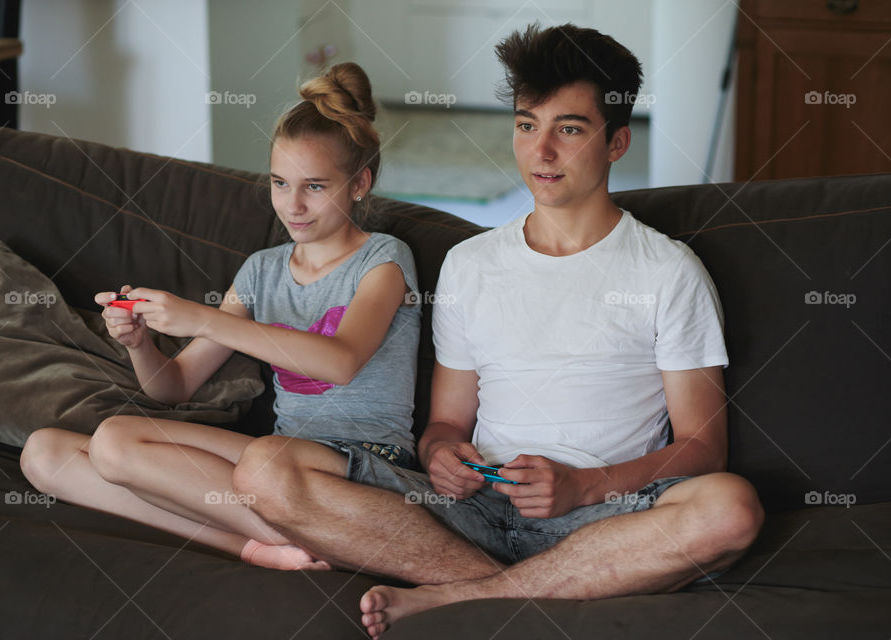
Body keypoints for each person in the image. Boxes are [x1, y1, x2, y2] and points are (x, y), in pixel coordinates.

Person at [230, 23, 765, 637]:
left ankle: (463, 597)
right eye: (525, 124)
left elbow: (704, 446)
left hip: (602, 518)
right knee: (266, 468)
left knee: (729, 508)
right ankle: (519, 588)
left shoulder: (668, 271)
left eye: (569, 129)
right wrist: (439, 456)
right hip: (472, 511)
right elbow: (446, 426)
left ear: (617, 142)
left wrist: (586, 487)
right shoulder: (471, 263)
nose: (540, 153)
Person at [19, 61, 421, 572]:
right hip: (276, 461)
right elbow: (174, 388)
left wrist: (204, 319)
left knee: (118, 441)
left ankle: (321, 537)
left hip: (364, 464)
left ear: (359, 183)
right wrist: (140, 344)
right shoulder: (261, 271)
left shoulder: (383, 259)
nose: (292, 205)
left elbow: (340, 362)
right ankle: (266, 548)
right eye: (279, 182)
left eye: (315, 186)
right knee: (44, 452)